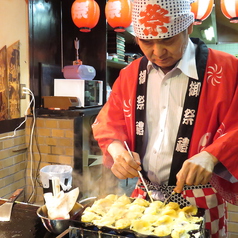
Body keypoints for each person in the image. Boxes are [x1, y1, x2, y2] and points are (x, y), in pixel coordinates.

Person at [92, 0, 238, 237]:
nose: (157, 52)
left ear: (188, 27)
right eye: (146, 42)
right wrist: (118, 151)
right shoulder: (130, 75)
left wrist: (212, 155)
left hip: (201, 201)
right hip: (145, 199)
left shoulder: (228, 70)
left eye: (168, 40)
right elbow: (110, 121)